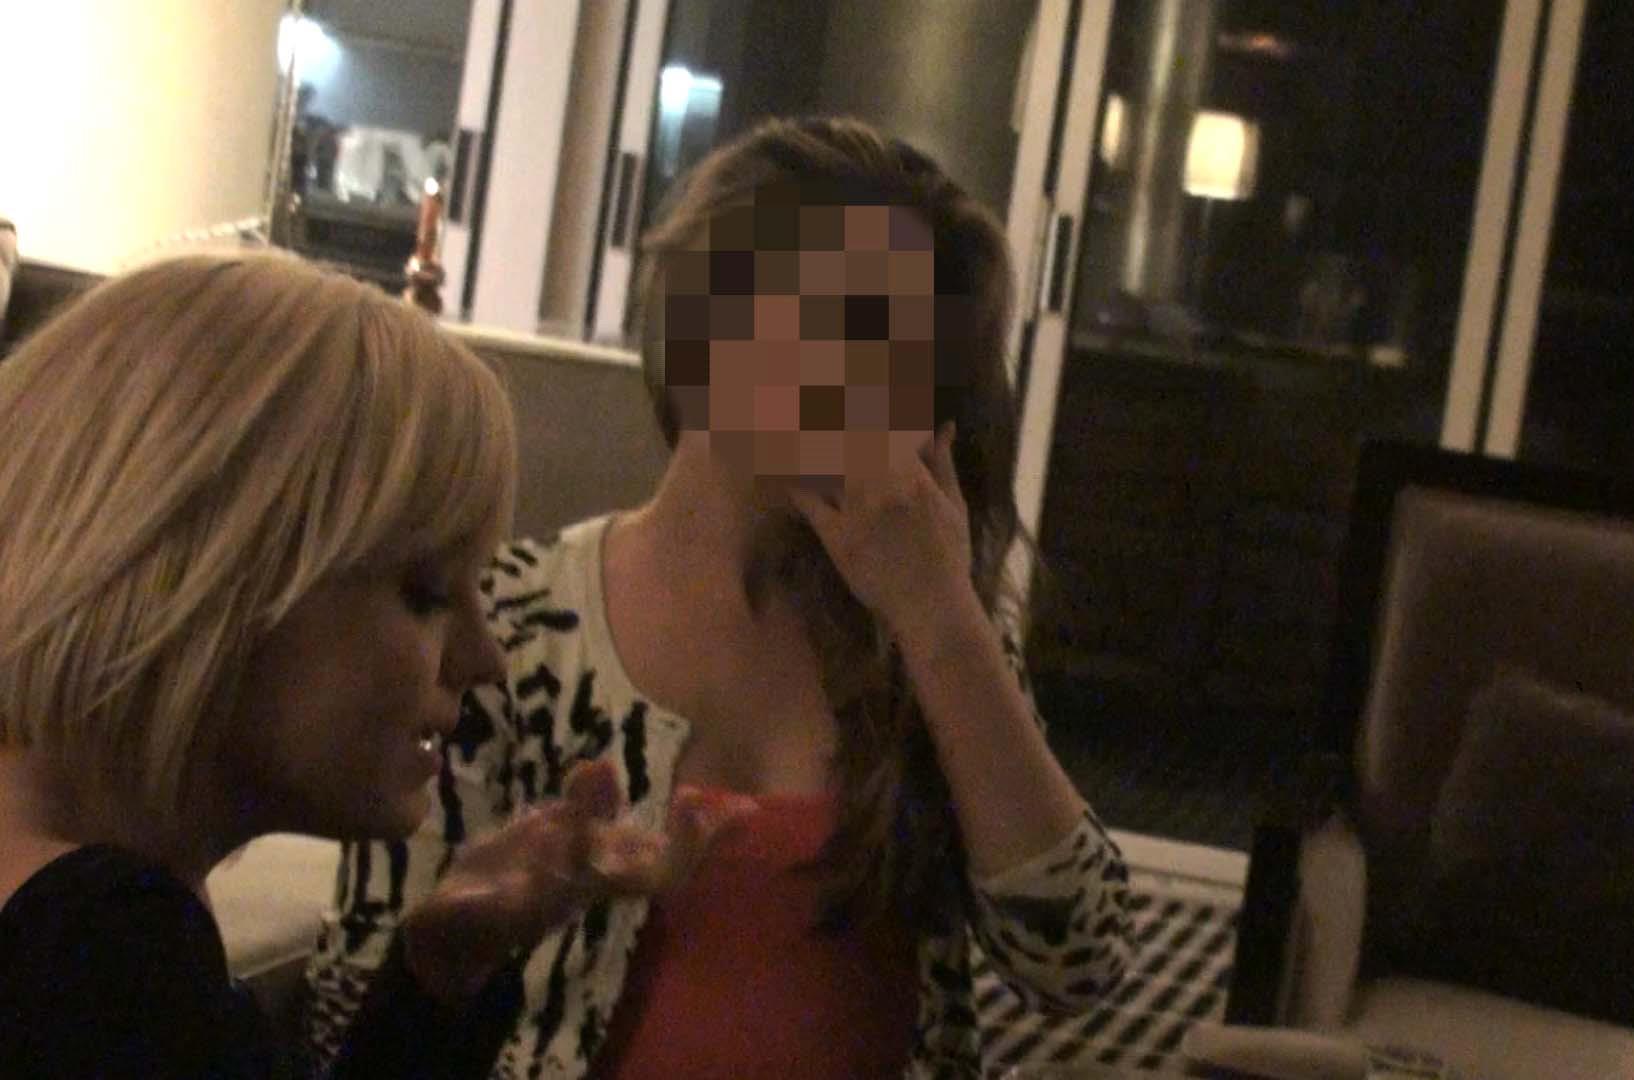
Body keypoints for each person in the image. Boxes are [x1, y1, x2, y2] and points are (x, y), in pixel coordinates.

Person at [305, 116, 1137, 1079]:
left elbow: (1077, 965)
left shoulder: (927, 628)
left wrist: (944, 620)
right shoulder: (506, 629)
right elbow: (360, 1013)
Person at [0, 253, 748, 1078]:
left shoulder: (81, 907)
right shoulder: (101, 960)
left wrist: (437, 977)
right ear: (217, 578)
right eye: (427, 594)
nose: (486, 658)